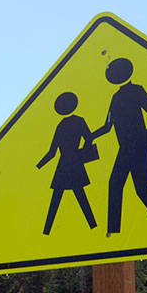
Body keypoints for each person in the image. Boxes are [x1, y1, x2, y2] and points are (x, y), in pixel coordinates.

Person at [90, 57, 147, 235]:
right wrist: (90, 136)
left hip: (139, 145)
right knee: (123, 185)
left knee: (136, 187)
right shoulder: (116, 97)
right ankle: (114, 230)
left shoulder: (137, 91)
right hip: (125, 148)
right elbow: (108, 126)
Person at [37, 91, 98, 234]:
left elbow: (52, 152)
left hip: (64, 164)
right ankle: (93, 226)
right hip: (75, 162)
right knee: (79, 195)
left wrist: (39, 166)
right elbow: (89, 138)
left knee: (58, 198)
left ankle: (47, 230)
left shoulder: (61, 126)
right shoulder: (79, 121)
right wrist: (83, 152)